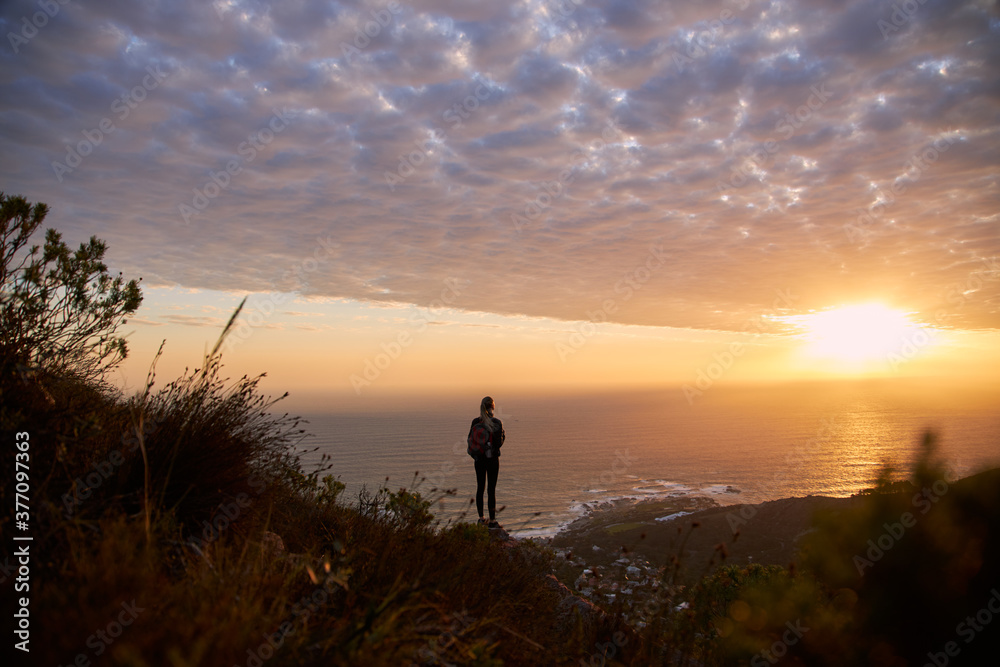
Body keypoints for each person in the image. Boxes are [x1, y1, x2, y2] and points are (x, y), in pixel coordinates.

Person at [468, 396, 504, 528]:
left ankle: (481, 518)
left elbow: (470, 441)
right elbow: (498, 444)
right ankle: (493, 520)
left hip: (479, 460)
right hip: (492, 460)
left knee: (480, 488)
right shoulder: (496, 422)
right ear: (492, 407)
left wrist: (477, 456)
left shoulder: (475, 422)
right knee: (491, 489)